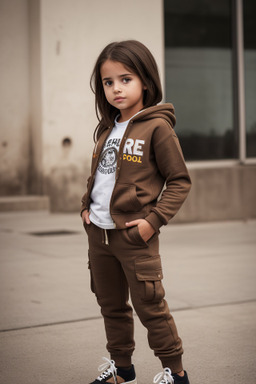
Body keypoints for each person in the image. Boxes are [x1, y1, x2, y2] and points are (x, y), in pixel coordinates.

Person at [81, 40, 191, 384]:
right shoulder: (106, 129)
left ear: (145, 80)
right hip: (99, 235)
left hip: (134, 236)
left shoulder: (157, 128)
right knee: (111, 306)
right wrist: (85, 208)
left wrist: (151, 222)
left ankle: (176, 373)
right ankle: (121, 369)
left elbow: (179, 181)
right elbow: (102, 176)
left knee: (150, 307)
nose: (116, 88)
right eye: (108, 82)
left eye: (125, 79)